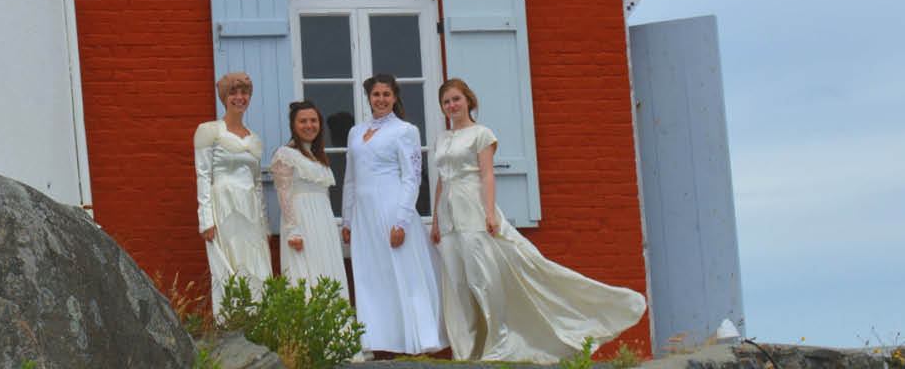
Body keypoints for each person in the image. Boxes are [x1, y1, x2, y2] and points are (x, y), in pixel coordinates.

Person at [428, 79, 647, 362]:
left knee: (481, 279)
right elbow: (440, 181)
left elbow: (487, 175)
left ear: (468, 101)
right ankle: (465, 352)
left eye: (456, 99)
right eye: (446, 102)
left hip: (474, 209)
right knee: (456, 286)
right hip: (448, 217)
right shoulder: (441, 139)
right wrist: (435, 220)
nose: (452, 106)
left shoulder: (482, 134)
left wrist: (490, 212)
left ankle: (499, 343)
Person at [343, 73, 444, 356]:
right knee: (371, 276)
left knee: (403, 273)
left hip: (392, 209)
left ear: (395, 97)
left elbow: (412, 178)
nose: (381, 99)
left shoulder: (405, 130)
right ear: (369, 97)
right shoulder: (355, 132)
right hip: (363, 215)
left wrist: (401, 220)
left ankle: (417, 340)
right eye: (376, 94)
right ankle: (376, 340)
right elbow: (351, 178)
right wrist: (348, 218)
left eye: (387, 94)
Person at [195, 72, 271, 315]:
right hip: (223, 206)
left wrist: (264, 223)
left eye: (244, 92)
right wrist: (206, 219)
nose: (239, 97)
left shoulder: (255, 139)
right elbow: (203, 175)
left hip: (250, 209)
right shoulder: (209, 131)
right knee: (228, 265)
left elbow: (257, 183)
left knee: (255, 265)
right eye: (234, 93)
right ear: (224, 97)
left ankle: (258, 323)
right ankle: (231, 325)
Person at [268, 100, 348, 294]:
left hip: (323, 223)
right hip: (301, 223)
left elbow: (324, 195)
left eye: (313, 121)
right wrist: (293, 230)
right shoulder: (285, 154)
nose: (309, 125)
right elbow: (284, 193)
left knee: (326, 270)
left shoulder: (317, 157)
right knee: (305, 273)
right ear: (293, 126)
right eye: (303, 121)